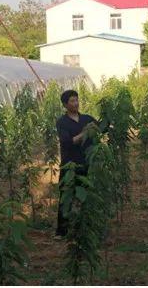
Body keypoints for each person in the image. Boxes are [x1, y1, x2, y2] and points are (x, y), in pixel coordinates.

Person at [55, 89, 97, 238]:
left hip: (86, 163)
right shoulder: (62, 122)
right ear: (65, 105)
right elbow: (68, 142)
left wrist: (108, 118)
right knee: (66, 196)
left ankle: (84, 228)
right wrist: (85, 133)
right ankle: (62, 231)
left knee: (84, 195)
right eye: (72, 101)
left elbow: (100, 128)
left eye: (77, 100)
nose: (76, 103)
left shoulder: (86, 118)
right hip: (69, 165)